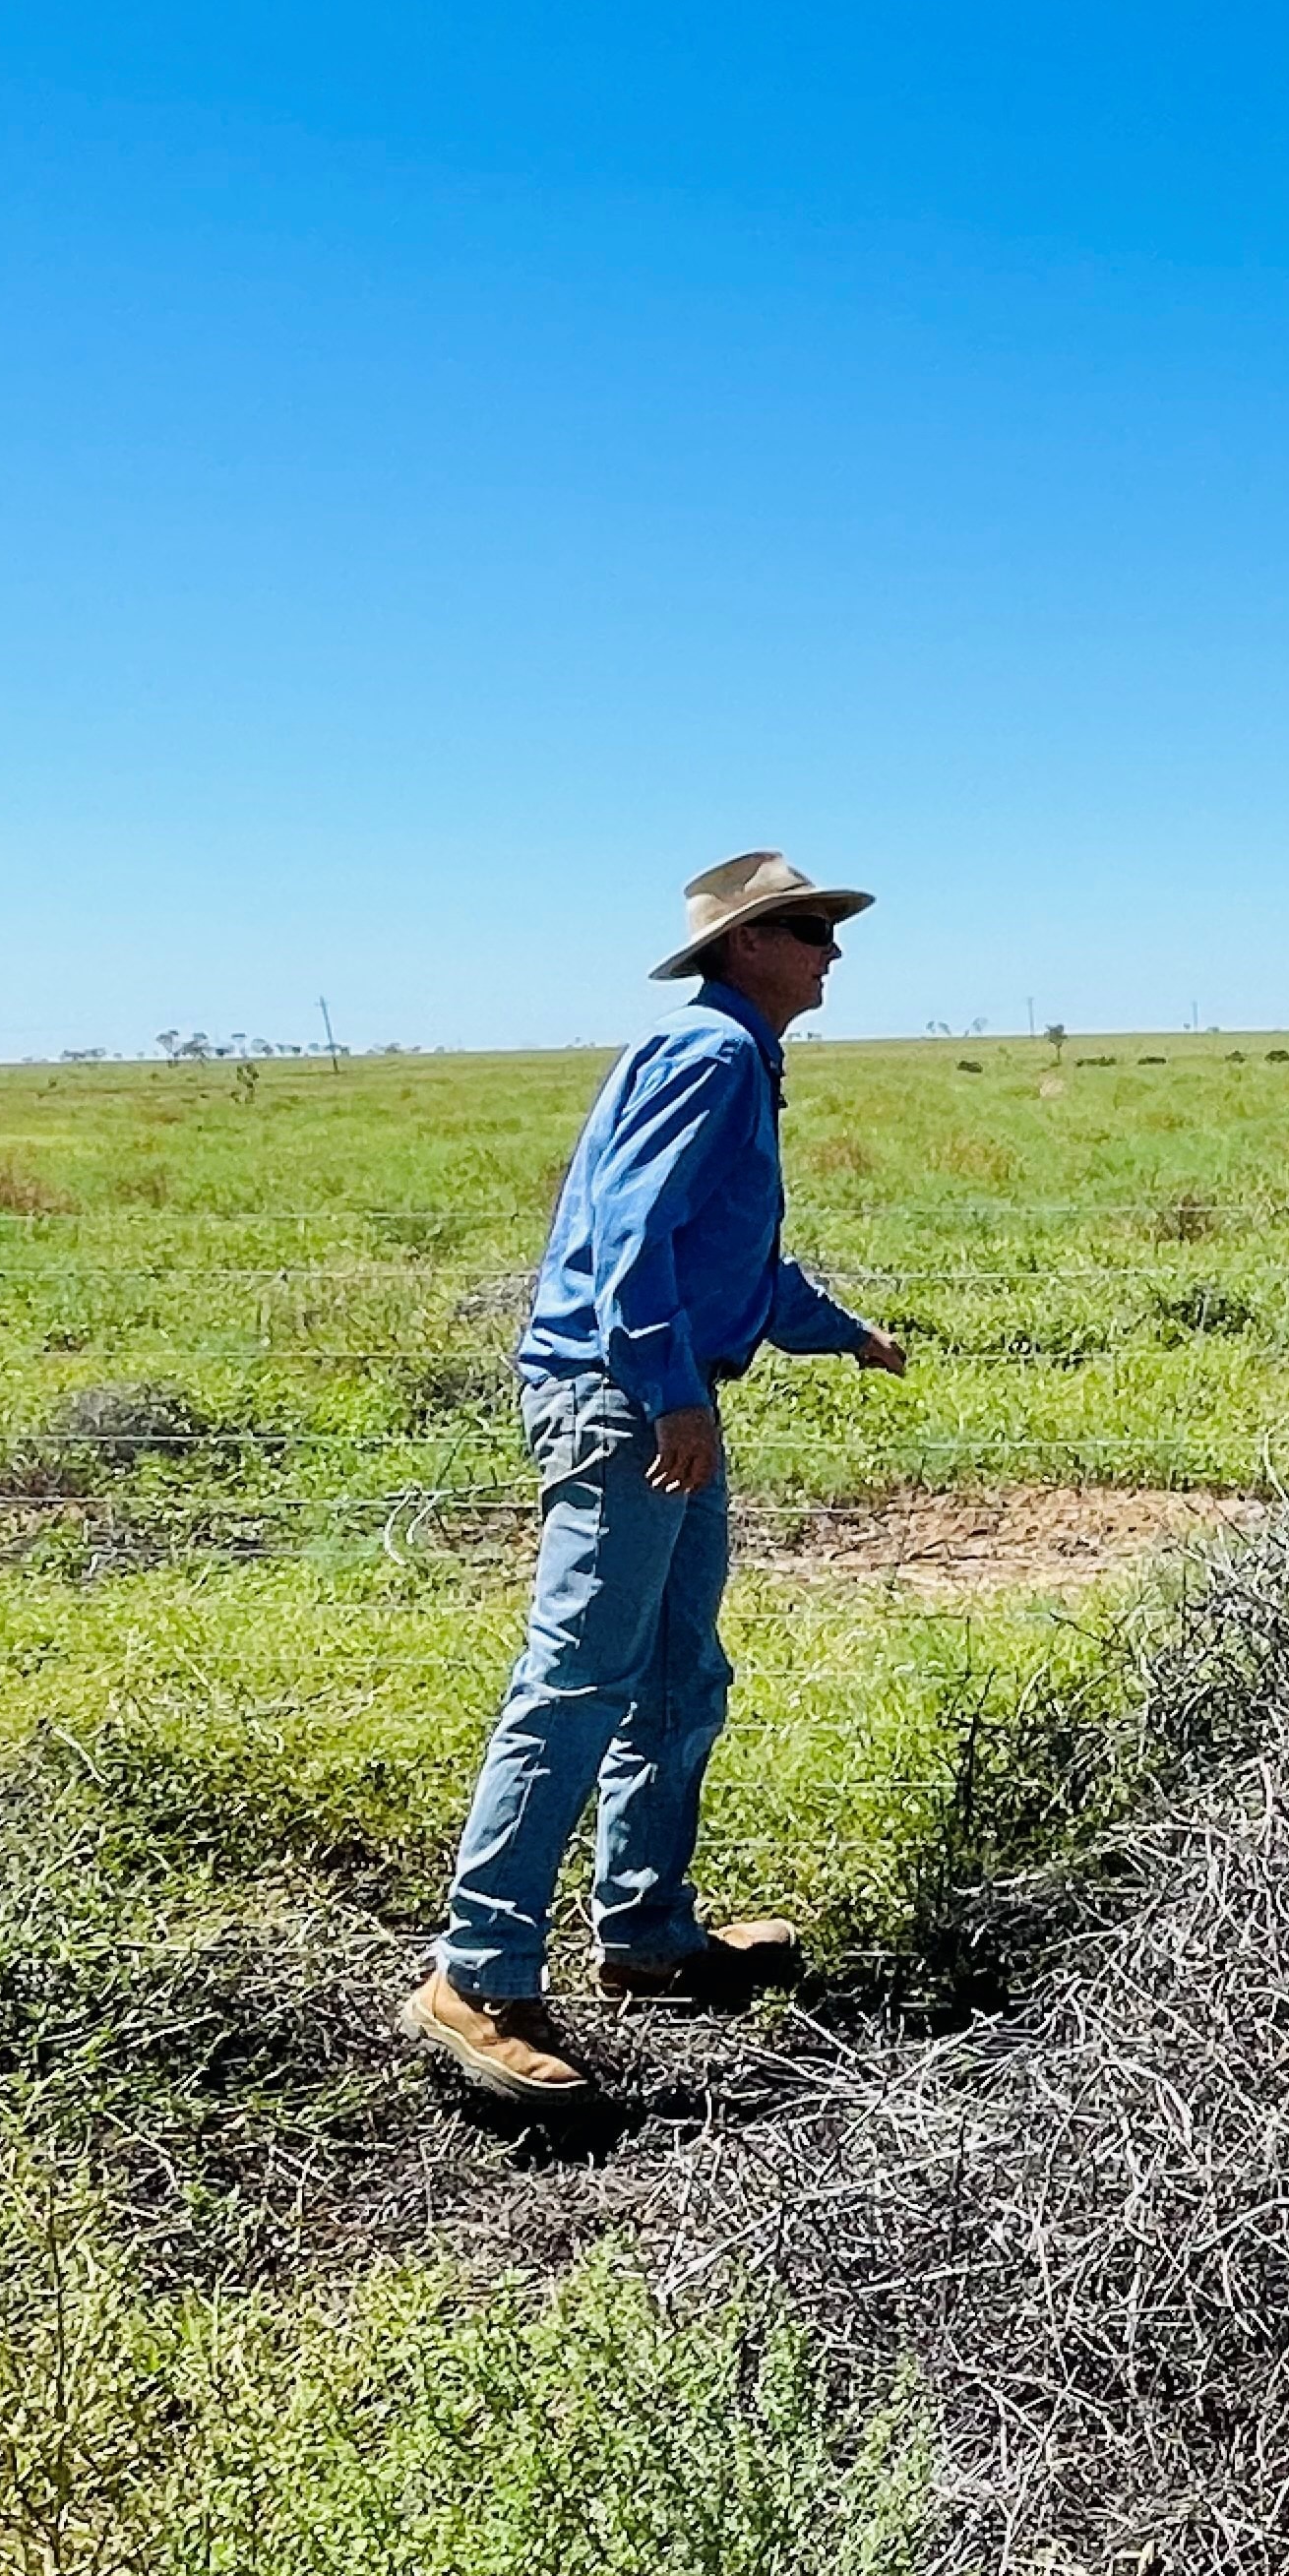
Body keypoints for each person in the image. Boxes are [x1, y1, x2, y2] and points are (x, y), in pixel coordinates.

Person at [401, 851, 910, 2103]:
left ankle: (646, 1934)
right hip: (629, 1405)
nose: (830, 950)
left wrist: (841, 1330)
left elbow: (729, 1262)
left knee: (681, 1672)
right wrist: (671, 1394)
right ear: (745, 947)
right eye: (806, 928)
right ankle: (476, 1977)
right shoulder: (712, 1055)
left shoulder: (739, 1058)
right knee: (577, 1683)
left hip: (659, 1400)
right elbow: (631, 1244)